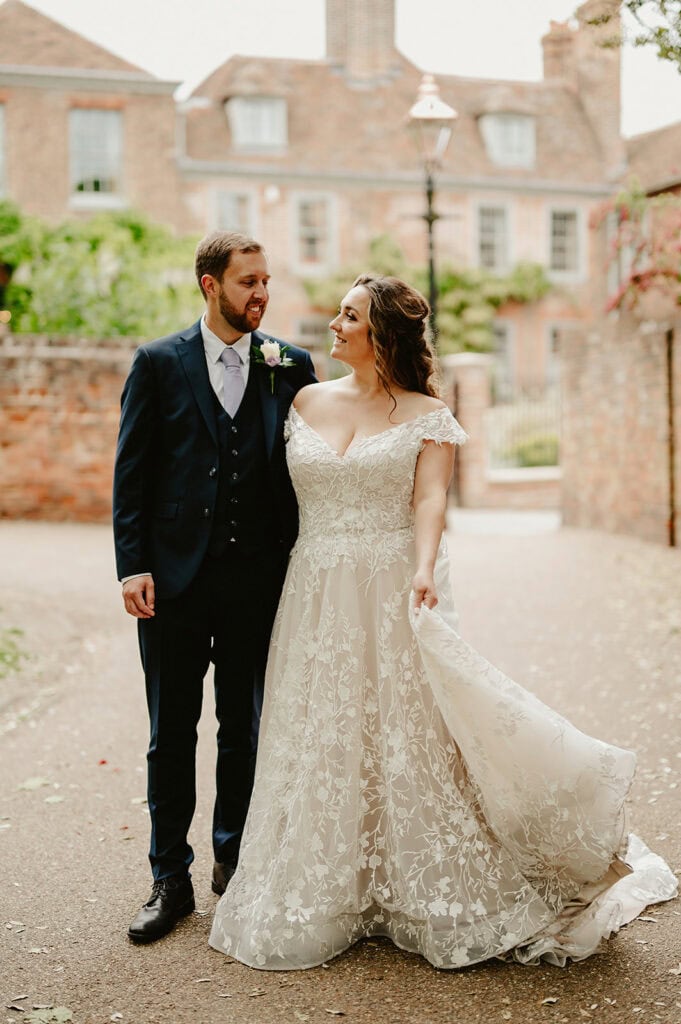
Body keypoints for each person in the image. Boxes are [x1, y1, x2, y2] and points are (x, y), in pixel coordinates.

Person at [209, 274, 676, 970]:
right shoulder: (301, 398)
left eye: (348, 316)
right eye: (338, 313)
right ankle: (333, 881)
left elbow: (429, 500)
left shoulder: (427, 412)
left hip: (391, 578)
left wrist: (423, 567)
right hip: (314, 591)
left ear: (381, 336)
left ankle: (413, 882)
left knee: (404, 728)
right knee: (324, 726)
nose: (332, 326)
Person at [113, 231, 317, 944]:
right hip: (169, 581)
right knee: (170, 732)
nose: (261, 294)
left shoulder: (289, 365)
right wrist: (131, 564)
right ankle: (169, 878)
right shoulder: (158, 363)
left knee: (245, 727)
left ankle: (234, 859)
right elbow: (131, 471)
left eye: (265, 281)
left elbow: (310, 468)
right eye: (246, 283)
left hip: (257, 578)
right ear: (209, 285)